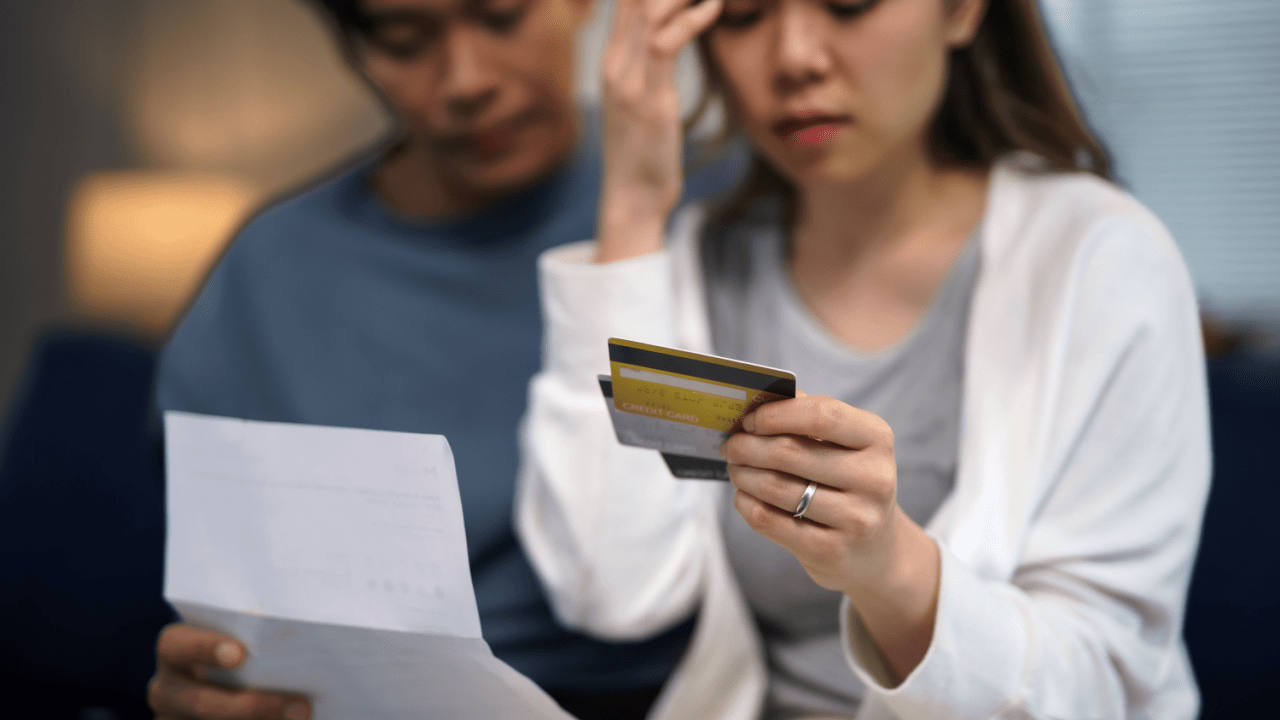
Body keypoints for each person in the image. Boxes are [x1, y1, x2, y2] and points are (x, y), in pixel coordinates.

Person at [515, 0, 1211, 717]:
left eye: (849, 4)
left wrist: (889, 568)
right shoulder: (703, 261)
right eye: (745, 15)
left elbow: (1105, 685)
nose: (794, 58)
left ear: (962, 12)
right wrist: (631, 208)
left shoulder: (1102, 259)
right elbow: (610, 593)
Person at [144, 0, 743, 718]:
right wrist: (211, 683)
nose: (466, 80)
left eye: (501, 16)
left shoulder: (723, 201)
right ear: (355, 48)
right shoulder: (273, 278)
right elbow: (227, 608)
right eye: (404, 40)